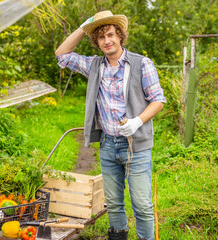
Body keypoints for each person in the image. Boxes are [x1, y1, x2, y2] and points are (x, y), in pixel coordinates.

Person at [55, 10, 166, 240]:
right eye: (101, 37)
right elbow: (62, 54)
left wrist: (136, 121)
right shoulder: (94, 65)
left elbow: (158, 100)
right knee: (114, 204)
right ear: (97, 42)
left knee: (143, 206)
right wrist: (84, 26)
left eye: (111, 35)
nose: (107, 41)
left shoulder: (141, 64)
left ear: (120, 36)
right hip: (108, 145)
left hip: (136, 147)